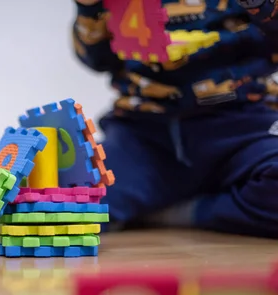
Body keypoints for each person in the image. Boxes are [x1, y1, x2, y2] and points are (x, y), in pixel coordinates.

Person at [72, 0, 278, 238]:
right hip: (144, 137)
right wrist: (89, 7)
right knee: (65, 201)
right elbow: (97, 59)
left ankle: (183, 212)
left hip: (244, 128)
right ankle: (176, 205)